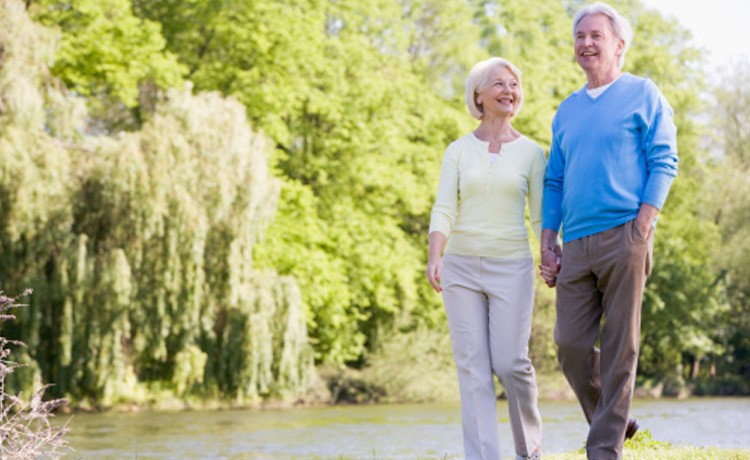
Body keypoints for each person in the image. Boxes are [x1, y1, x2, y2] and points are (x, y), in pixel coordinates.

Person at [539, 2, 679, 459]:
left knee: (621, 346)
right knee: (570, 345)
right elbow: (554, 179)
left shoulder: (643, 93)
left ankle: (604, 450)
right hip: (575, 243)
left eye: (596, 35)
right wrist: (547, 238)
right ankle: (616, 417)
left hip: (626, 234)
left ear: (619, 45)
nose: (585, 43)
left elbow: (664, 160)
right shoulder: (567, 110)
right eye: (580, 36)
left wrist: (644, 222)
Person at [426, 57, 544, 460]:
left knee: (512, 363)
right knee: (473, 368)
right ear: (478, 94)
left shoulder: (532, 153)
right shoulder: (458, 151)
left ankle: (529, 452)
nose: (509, 90)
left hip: (512, 266)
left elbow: (541, 215)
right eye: (499, 83)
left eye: (514, 84)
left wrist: (549, 252)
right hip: (460, 267)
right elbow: (444, 207)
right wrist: (435, 255)